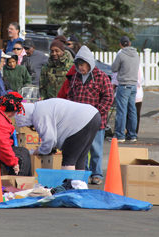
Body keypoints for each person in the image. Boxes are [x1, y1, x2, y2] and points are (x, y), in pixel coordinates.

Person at [67, 46, 114, 185]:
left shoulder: (101, 77)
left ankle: (97, 174)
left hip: (96, 122)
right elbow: (70, 96)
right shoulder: (75, 77)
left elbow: (109, 97)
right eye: (78, 65)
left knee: (96, 149)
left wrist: (96, 113)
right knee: (82, 150)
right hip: (79, 122)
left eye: (82, 65)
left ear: (89, 63)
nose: (80, 67)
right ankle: (85, 173)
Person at [15, 99, 101, 170]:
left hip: (81, 122)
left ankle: (69, 187)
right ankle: (80, 186)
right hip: (93, 115)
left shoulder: (38, 114)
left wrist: (39, 150)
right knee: (80, 159)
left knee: (68, 161)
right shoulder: (41, 106)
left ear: (25, 118)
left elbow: (50, 139)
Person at [110, 36, 140, 142]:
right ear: (130, 43)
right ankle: (132, 135)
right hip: (133, 85)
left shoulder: (121, 54)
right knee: (132, 110)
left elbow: (113, 68)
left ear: (120, 44)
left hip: (123, 85)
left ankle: (120, 135)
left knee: (121, 111)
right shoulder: (136, 54)